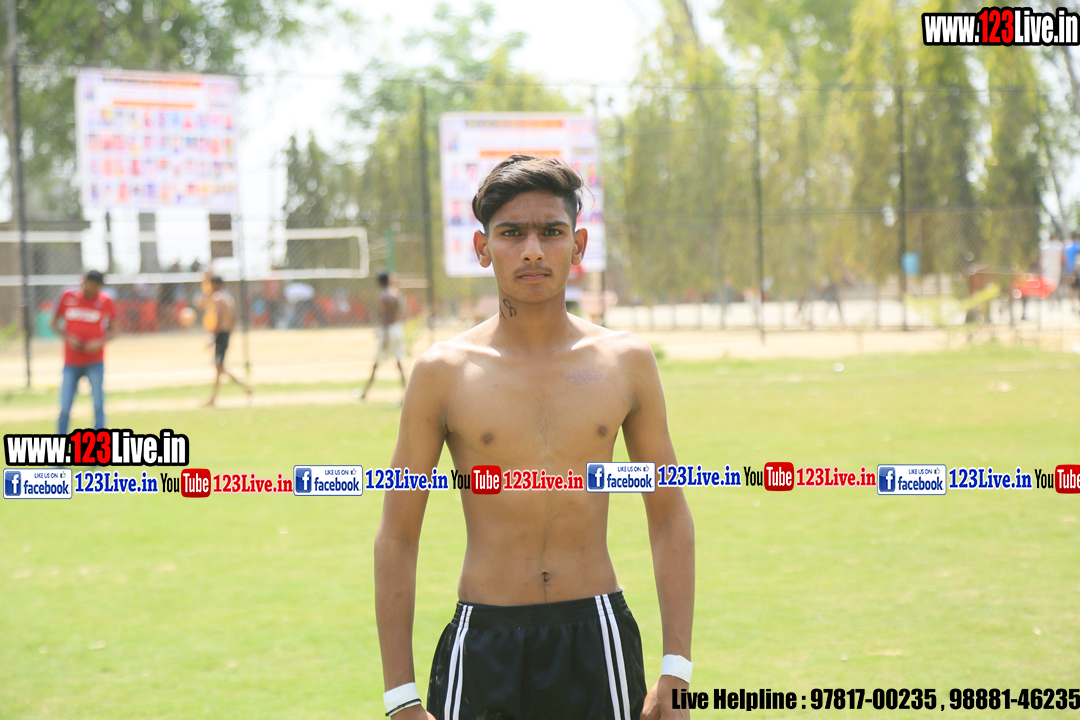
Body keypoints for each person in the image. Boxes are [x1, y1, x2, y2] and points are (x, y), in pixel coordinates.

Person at [374, 155, 694, 720]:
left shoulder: (626, 362)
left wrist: (677, 669)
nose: (531, 251)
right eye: (511, 233)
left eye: (551, 232)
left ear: (578, 245)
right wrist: (400, 697)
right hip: (484, 642)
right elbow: (397, 536)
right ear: (482, 248)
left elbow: (668, 515)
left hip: (596, 636)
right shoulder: (442, 373)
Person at [51, 270, 116, 434]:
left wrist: (99, 342)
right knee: (65, 406)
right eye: (91, 286)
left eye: (96, 287)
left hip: (95, 360)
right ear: (83, 281)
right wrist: (69, 338)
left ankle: (99, 442)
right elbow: (54, 323)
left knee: (98, 405)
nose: (92, 290)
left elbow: (116, 328)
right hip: (71, 361)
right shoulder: (67, 296)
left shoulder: (105, 300)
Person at [204, 276, 252, 406]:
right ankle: (213, 398)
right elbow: (232, 318)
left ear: (215, 285)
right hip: (226, 333)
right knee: (219, 367)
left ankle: (246, 388)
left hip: (220, 333)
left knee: (220, 366)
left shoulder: (218, 298)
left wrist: (212, 337)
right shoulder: (228, 298)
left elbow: (218, 318)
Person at [360, 271, 407, 401]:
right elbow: (401, 313)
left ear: (380, 282)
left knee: (376, 364)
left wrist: (384, 336)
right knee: (399, 363)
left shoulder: (383, 296)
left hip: (388, 331)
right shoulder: (396, 294)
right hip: (398, 329)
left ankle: (365, 393)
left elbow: (386, 318)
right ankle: (407, 393)